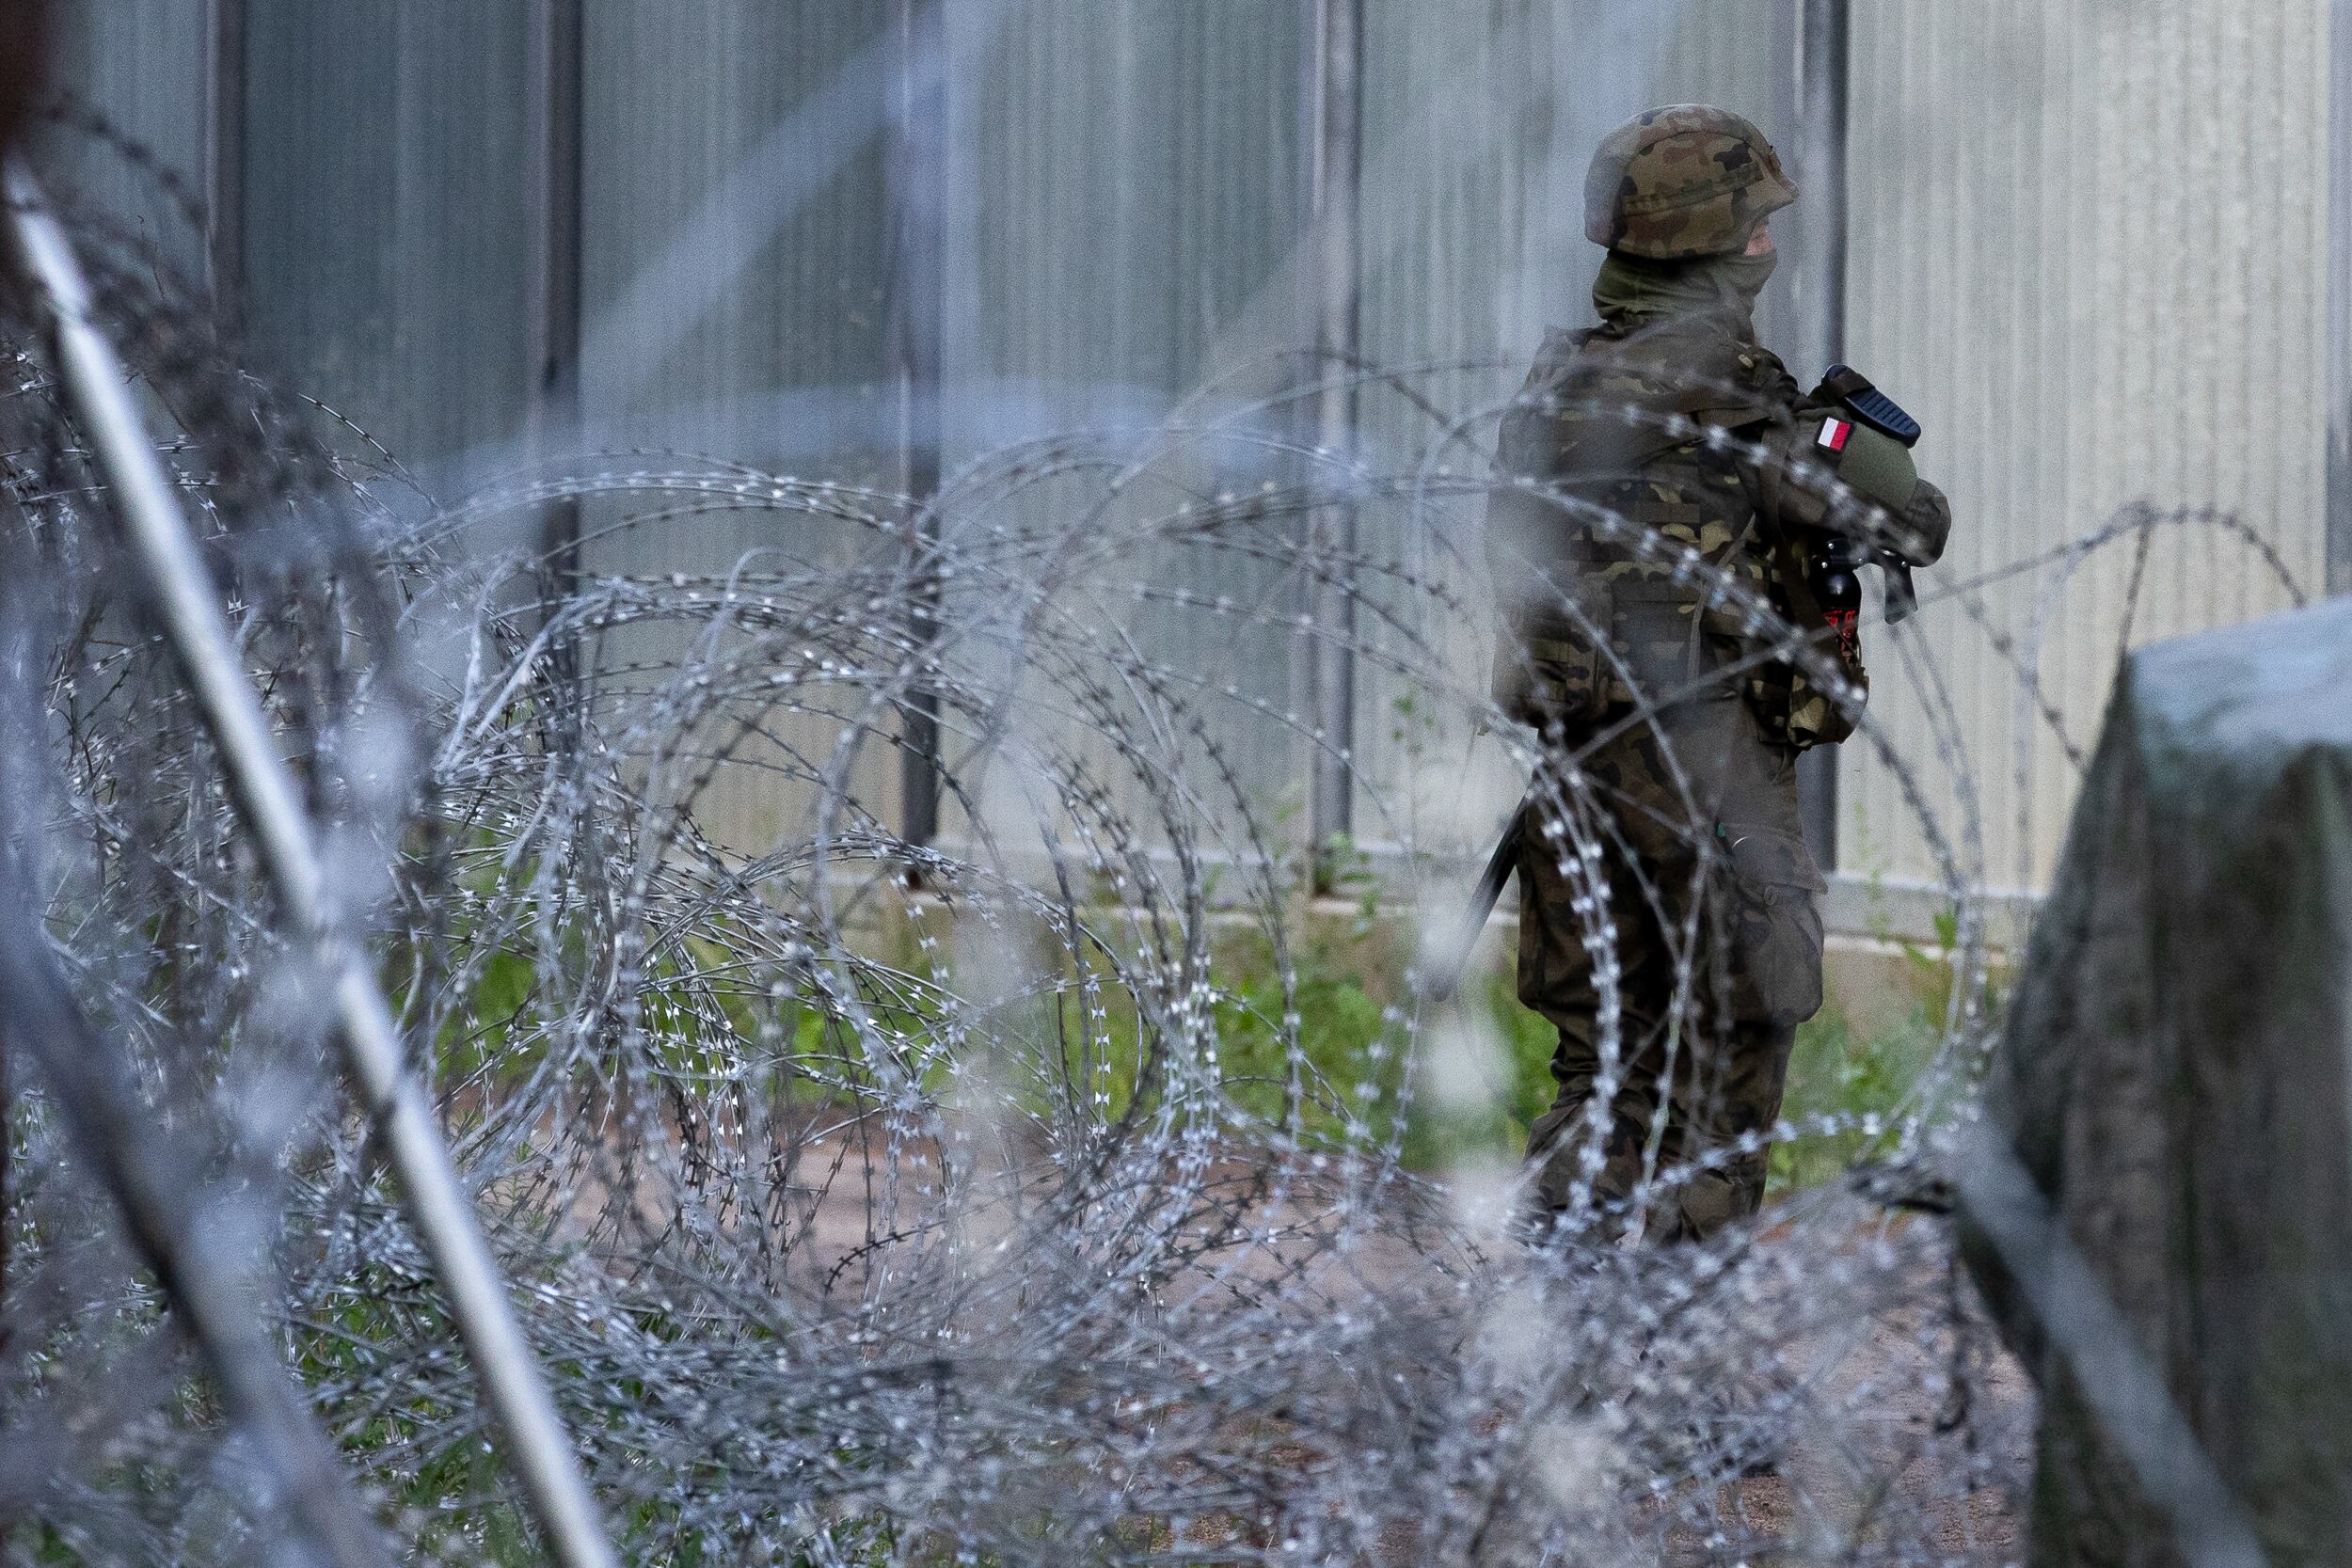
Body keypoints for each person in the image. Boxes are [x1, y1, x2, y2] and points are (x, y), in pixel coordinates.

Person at [1486, 104, 1950, 1245]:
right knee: (1715, 1103)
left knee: (1600, 1081)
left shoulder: (1552, 396)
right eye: (1754, 229)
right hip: (1714, 800)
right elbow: (1920, 523)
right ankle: (1672, 1385)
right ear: (1714, 245)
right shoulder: (1749, 411)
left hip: (1573, 798)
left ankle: (1558, 1332)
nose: (1767, 249)